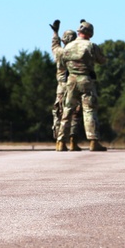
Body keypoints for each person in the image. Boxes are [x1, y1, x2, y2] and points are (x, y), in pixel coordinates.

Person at [60, 19, 108, 151]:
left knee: (67, 110)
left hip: (71, 80)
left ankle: (61, 142)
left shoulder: (68, 46)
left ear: (79, 32)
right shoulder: (91, 45)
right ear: (90, 33)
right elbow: (102, 60)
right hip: (85, 80)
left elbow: (62, 62)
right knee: (89, 110)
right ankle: (93, 141)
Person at [50, 20, 82, 151]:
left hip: (62, 87)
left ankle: (60, 142)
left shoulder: (60, 53)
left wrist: (55, 33)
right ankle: (73, 141)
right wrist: (83, 28)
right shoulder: (78, 52)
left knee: (59, 113)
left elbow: (54, 45)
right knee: (75, 113)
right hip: (75, 84)